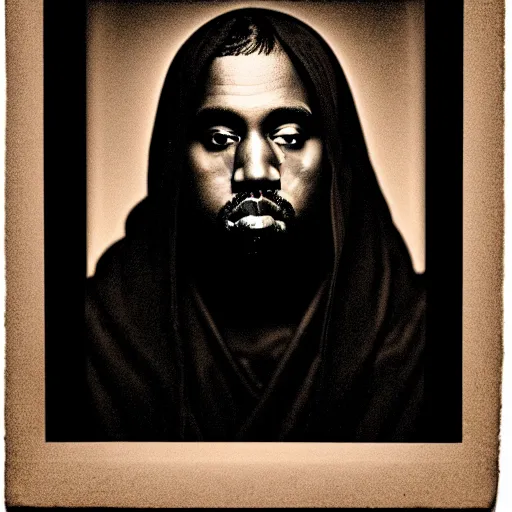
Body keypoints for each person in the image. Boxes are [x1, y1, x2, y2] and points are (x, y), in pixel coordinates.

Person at [80, 8, 426, 441]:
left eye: (290, 137)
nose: (256, 170)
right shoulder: (89, 337)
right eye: (219, 139)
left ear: (337, 153)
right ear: (175, 160)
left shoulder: (423, 337)